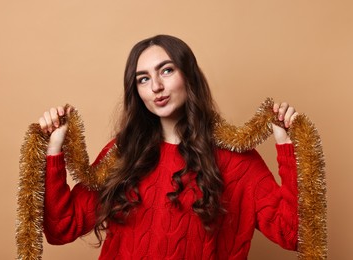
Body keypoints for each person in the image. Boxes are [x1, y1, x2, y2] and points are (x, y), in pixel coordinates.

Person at [39, 35, 298, 259]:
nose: (156, 87)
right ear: (136, 92)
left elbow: (292, 234)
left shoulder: (236, 159)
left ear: (189, 76)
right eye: (143, 79)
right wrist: (55, 150)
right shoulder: (123, 153)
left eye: (166, 70)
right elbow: (61, 228)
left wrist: (286, 146)